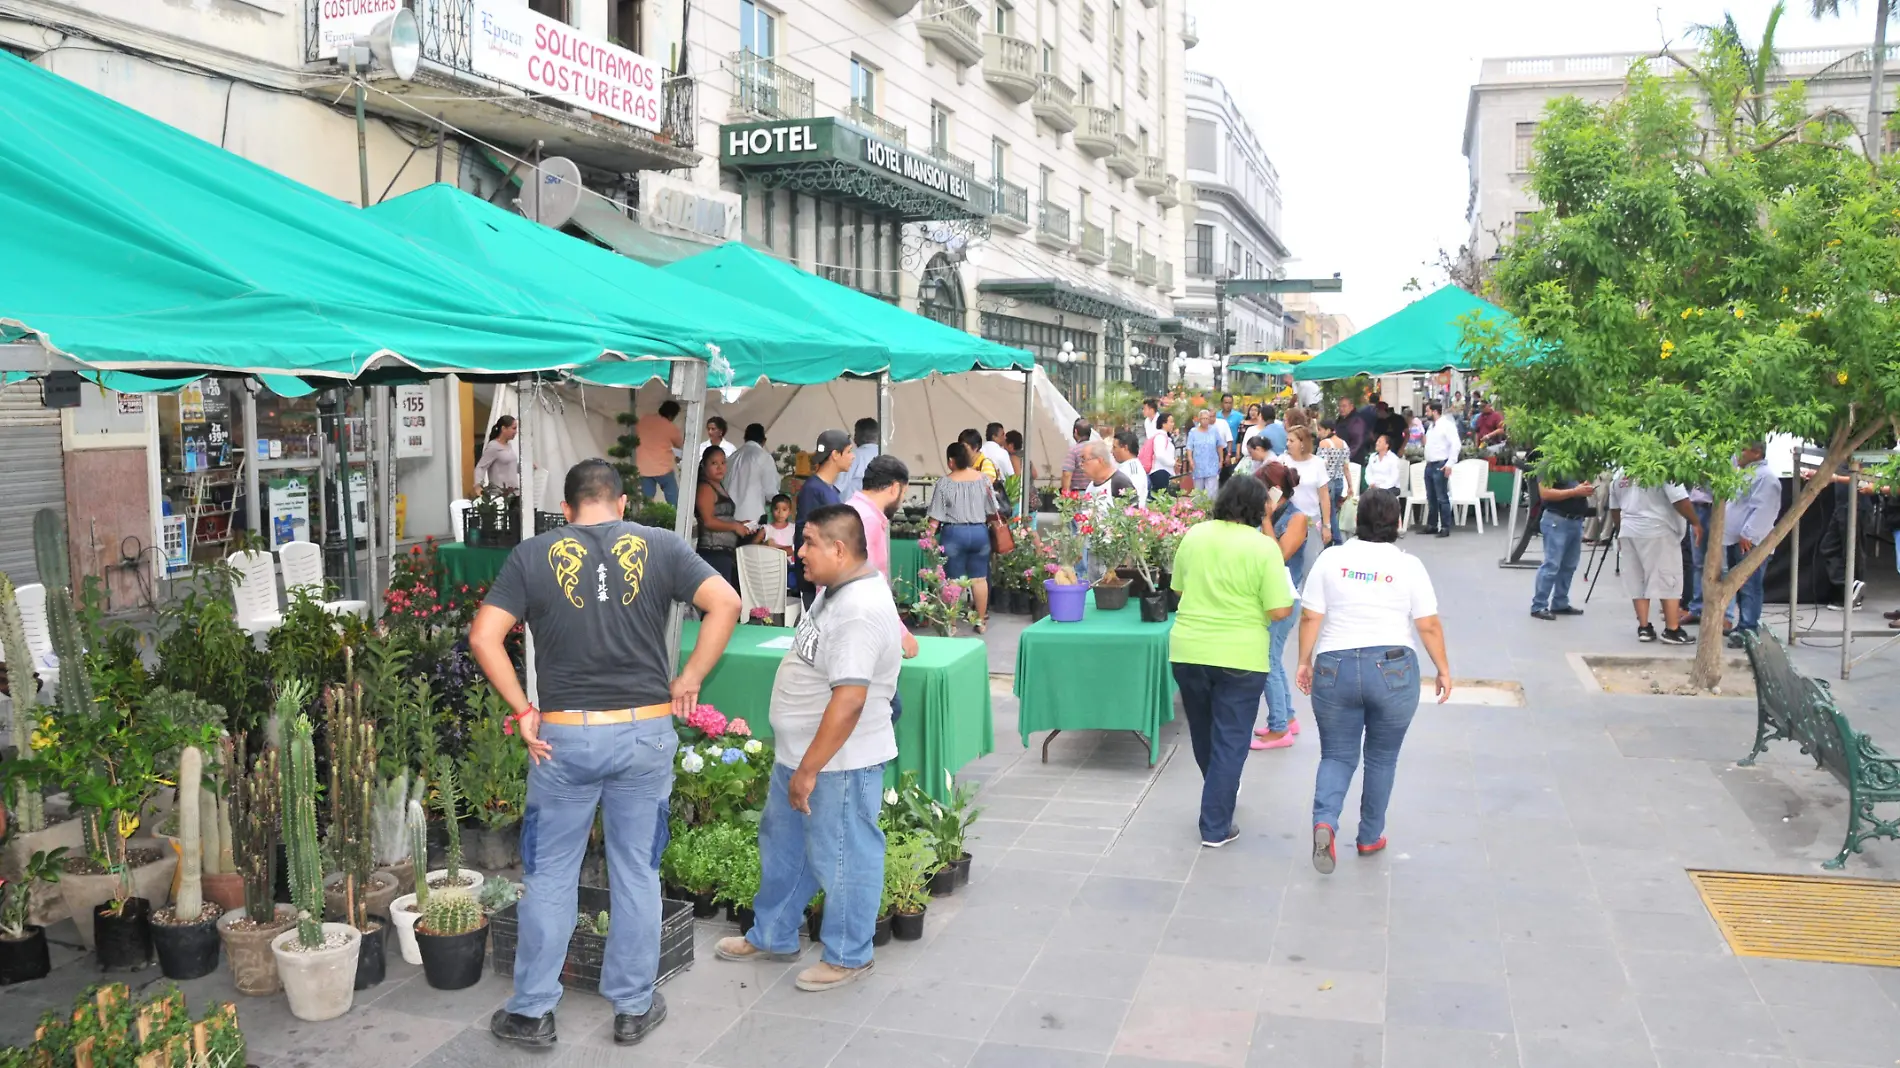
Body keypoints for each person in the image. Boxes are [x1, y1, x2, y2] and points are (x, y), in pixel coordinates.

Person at [473, 459, 741, 1049]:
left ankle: (533, 1011)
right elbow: (726, 603)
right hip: (645, 734)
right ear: (622, 505)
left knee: (549, 874)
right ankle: (633, 1006)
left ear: (566, 510)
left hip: (564, 738)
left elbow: (483, 636)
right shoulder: (663, 545)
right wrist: (688, 677)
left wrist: (522, 709)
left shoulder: (534, 553)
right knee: (637, 870)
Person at [713, 505, 902, 992]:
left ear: (839, 549)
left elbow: (850, 700)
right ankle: (773, 934)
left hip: (837, 762)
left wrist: (809, 770)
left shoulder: (858, 610)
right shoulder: (837, 591)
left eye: (809, 543)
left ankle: (847, 955)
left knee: (843, 856)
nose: (799, 552)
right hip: (803, 757)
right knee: (786, 847)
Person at [1296, 489, 1450, 873]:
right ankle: (1369, 836)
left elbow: (1310, 616)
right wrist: (1443, 669)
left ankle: (1325, 822)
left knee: (1336, 754)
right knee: (1382, 757)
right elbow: (1427, 623)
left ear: (1357, 520)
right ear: (1397, 523)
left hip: (1335, 666)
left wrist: (1304, 661)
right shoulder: (1408, 565)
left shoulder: (1332, 559)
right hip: (1393, 669)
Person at [1167, 476, 1297, 847]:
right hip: (1240, 655)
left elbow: (1178, 588)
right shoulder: (1263, 547)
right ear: (1258, 510)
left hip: (1189, 649)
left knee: (1205, 732)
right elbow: (1278, 608)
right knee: (1232, 738)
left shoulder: (1194, 535)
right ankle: (1215, 824)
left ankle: (1219, 795)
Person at [1253, 460, 1310, 751]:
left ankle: (1279, 729)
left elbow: (1277, 558)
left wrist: (1265, 520)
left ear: (1274, 491)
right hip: (1269, 598)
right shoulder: (1271, 514)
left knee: (1267, 661)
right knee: (1272, 659)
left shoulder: (1297, 519)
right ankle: (1286, 718)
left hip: (1285, 599)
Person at [1610, 472, 1701, 645]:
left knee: (1637, 579)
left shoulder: (1620, 473)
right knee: (1668, 578)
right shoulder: (1663, 468)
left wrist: (1620, 530)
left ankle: (1644, 627)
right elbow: (1679, 499)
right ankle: (1672, 629)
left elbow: (1614, 508)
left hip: (1629, 529)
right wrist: (1695, 522)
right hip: (1658, 530)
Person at [926, 441, 999, 633]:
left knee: (953, 580)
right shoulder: (983, 479)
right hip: (979, 533)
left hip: (953, 534)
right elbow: (993, 509)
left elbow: (936, 516)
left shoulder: (944, 483)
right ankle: (981, 622)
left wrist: (929, 535)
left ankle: (951, 624)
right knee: (979, 579)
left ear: (951, 461)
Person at [1722, 442, 1781, 647]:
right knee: (1740, 586)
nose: (1738, 453)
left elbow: (1765, 509)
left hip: (1750, 543)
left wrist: (1749, 534)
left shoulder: (1765, 477)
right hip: (1735, 540)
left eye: (1743, 449)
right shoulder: (1745, 473)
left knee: (1750, 586)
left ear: (1757, 453)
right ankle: (1743, 625)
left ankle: (1749, 629)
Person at [795, 430, 854, 606]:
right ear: (835, 454)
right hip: (816, 578)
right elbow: (804, 533)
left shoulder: (827, 489)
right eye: (849, 451)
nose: (852, 457)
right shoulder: (814, 490)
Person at [1529, 473, 1595, 620]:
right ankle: (1539, 605)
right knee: (1552, 564)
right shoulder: (1551, 464)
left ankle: (1560, 602)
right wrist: (1575, 492)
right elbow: (1545, 493)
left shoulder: (1578, 464)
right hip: (1557, 519)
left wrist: (1585, 489)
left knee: (1569, 565)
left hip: (1575, 520)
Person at [694, 448, 759, 590]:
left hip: (724, 553)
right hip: (712, 552)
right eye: (714, 463)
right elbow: (708, 521)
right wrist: (735, 527)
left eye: (723, 462)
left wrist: (739, 524)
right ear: (704, 466)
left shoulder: (719, 485)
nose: (720, 467)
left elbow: (722, 516)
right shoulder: (705, 488)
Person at [846, 454, 911, 581]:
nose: (902, 500)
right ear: (895, 488)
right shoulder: (867, 520)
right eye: (903, 493)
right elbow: (860, 579)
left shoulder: (851, 509)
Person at [1283, 426, 1333, 553]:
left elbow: (1324, 496)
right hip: (1287, 520)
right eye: (1287, 440)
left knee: (1310, 560)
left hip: (1311, 519)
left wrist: (1327, 525)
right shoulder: (1282, 461)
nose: (1287, 444)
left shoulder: (1318, 463)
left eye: (1292, 441)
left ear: (1302, 443)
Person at [634, 400, 685, 504]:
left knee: (647, 502)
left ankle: (649, 520)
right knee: (673, 500)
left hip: (643, 468)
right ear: (671, 415)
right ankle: (673, 519)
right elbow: (680, 444)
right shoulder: (670, 427)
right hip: (663, 469)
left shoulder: (644, 419)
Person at [1421, 401, 1459, 537]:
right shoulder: (1431, 427)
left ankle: (1445, 527)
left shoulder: (1446, 426)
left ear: (1435, 411)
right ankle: (1432, 525)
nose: (1426, 414)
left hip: (1440, 464)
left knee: (1442, 497)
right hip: (1430, 465)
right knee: (1431, 497)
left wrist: (1450, 463)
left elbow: (1455, 444)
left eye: (1428, 411)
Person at [726, 423, 776, 527]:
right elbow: (771, 492)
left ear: (745, 438)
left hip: (729, 518)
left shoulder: (732, 457)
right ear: (764, 440)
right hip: (752, 519)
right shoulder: (765, 457)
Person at [1317, 419, 1352, 546]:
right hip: (1339, 482)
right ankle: (1330, 543)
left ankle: (1337, 542)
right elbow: (1346, 467)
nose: (1318, 432)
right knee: (1333, 513)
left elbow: (1320, 464)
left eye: (1320, 429)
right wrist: (1350, 485)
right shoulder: (1344, 444)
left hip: (1327, 482)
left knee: (1328, 514)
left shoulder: (1324, 443)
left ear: (1327, 430)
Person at [1078, 438, 1137, 503]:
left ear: (1099, 460)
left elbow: (1133, 511)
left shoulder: (1120, 483)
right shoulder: (1092, 485)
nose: (1080, 464)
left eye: (1084, 459)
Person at [837, 418, 881, 500]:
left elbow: (836, 488)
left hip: (850, 509)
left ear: (859, 435)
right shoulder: (884, 456)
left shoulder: (852, 457)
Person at [476, 415, 521, 491]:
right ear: (504, 429)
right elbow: (481, 467)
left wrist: (526, 466)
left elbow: (510, 467)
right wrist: (478, 486)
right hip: (500, 495)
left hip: (514, 493)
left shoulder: (509, 445)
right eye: (513, 428)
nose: (516, 432)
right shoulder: (493, 446)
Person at [1186, 409, 1224, 493]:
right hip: (1198, 465)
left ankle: (1211, 506)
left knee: (1212, 491)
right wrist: (1190, 460)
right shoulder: (1193, 432)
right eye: (1203, 418)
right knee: (1198, 490)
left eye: (1207, 418)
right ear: (1199, 419)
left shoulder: (1214, 430)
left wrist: (1221, 460)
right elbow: (1189, 447)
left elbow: (1219, 445)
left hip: (1212, 464)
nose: (1205, 420)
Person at [1142, 411, 1178, 495]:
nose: (1173, 424)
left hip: (1163, 472)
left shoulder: (1164, 436)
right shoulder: (1160, 437)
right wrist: (1173, 463)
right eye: (1171, 422)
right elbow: (1159, 455)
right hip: (1160, 472)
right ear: (1163, 424)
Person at [1113, 430, 1150, 505]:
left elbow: (1134, 498)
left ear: (1125, 448)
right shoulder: (1124, 466)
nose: (1112, 451)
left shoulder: (1133, 471)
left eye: (1114, 447)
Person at [1061, 418, 1095, 494]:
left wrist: (1065, 494)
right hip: (1095, 492)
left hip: (1078, 493)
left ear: (1075, 431)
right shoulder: (1096, 449)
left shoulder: (1074, 450)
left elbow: (1067, 474)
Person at [1005, 430, 1033, 498]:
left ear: (1011, 445)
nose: (1003, 447)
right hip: (1031, 494)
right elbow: (1035, 474)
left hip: (1020, 497)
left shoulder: (1013, 458)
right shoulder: (1025, 455)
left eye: (1005, 444)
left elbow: (1017, 478)